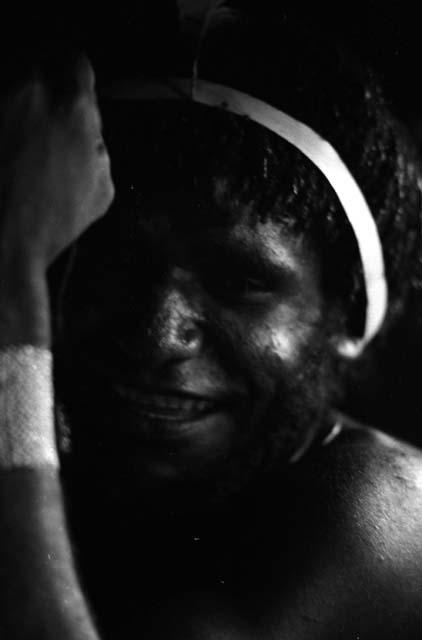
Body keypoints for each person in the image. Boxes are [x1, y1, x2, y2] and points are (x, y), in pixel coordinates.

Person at [1, 4, 422, 638]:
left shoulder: (387, 507)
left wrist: (11, 274)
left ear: (349, 316)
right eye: (116, 259)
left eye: (240, 283)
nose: (157, 334)